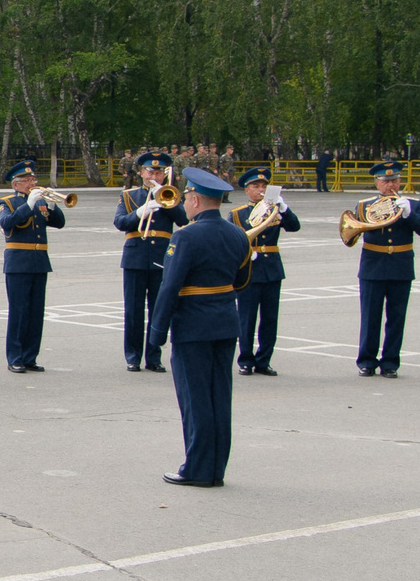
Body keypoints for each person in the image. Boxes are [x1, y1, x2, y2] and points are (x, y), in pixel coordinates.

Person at [148, 168, 252, 487]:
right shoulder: (238, 233)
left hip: (193, 325)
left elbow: (170, 286)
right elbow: (242, 280)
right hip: (225, 322)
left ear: (193, 199)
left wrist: (156, 334)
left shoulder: (186, 235)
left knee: (195, 401)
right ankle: (216, 468)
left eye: (187, 197)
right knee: (220, 397)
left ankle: (197, 468)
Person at [351, 160, 420, 377]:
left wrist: (408, 215)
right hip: (373, 265)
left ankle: (390, 362)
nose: (391, 186)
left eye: (395, 180)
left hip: (400, 265)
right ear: (377, 183)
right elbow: (352, 232)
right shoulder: (365, 205)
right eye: (385, 181)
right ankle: (366, 361)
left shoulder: (412, 204)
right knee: (370, 316)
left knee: (396, 317)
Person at [113, 153, 184, 372]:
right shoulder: (129, 196)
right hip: (135, 257)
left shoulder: (171, 195)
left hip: (161, 258)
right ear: (141, 173)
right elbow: (120, 222)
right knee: (133, 311)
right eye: (150, 172)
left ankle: (154, 357)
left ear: (165, 174)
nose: (154, 175)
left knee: (158, 310)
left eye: (159, 172)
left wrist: (164, 200)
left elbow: (183, 220)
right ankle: (133, 356)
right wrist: (138, 213)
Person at [228, 167, 300, 376]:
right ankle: (246, 359)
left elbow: (294, 226)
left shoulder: (275, 210)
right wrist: (244, 254)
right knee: (246, 317)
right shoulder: (237, 214)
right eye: (255, 186)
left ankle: (264, 360)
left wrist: (284, 207)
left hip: (271, 269)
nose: (260, 189)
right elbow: (231, 242)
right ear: (246, 190)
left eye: (263, 186)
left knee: (270, 319)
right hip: (249, 269)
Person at [0, 160, 62, 372]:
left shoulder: (40, 201)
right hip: (18, 262)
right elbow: (7, 223)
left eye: (32, 179)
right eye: (26, 180)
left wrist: (52, 205)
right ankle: (15, 357)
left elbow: (59, 223)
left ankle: (30, 356)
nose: (31, 183)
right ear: (15, 185)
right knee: (19, 312)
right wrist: (28, 204)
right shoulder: (6, 202)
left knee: (36, 312)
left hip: (39, 261)